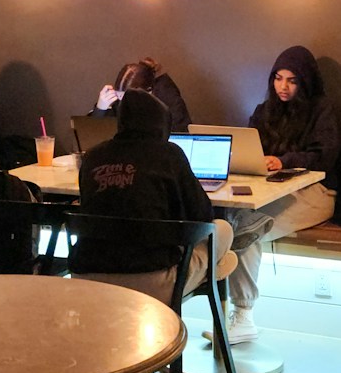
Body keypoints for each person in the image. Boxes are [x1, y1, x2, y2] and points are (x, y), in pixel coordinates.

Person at [222, 46, 341, 343]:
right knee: (237, 222)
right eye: (278, 79)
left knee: (245, 229)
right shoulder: (265, 112)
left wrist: (283, 161)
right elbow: (251, 147)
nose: (283, 87)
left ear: (305, 83)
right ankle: (238, 314)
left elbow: (325, 156)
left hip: (317, 192)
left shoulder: (321, 110)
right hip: (273, 189)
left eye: (291, 80)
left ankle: (243, 313)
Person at [69, 89, 234, 304]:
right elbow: (202, 216)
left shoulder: (92, 156)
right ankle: (218, 273)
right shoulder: (169, 154)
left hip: (85, 278)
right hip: (152, 282)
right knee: (223, 230)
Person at [91, 57, 191, 132]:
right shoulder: (119, 101)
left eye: (128, 98)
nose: (124, 102)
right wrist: (100, 109)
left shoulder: (169, 102)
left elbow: (179, 135)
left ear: (149, 91)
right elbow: (96, 135)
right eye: (120, 96)